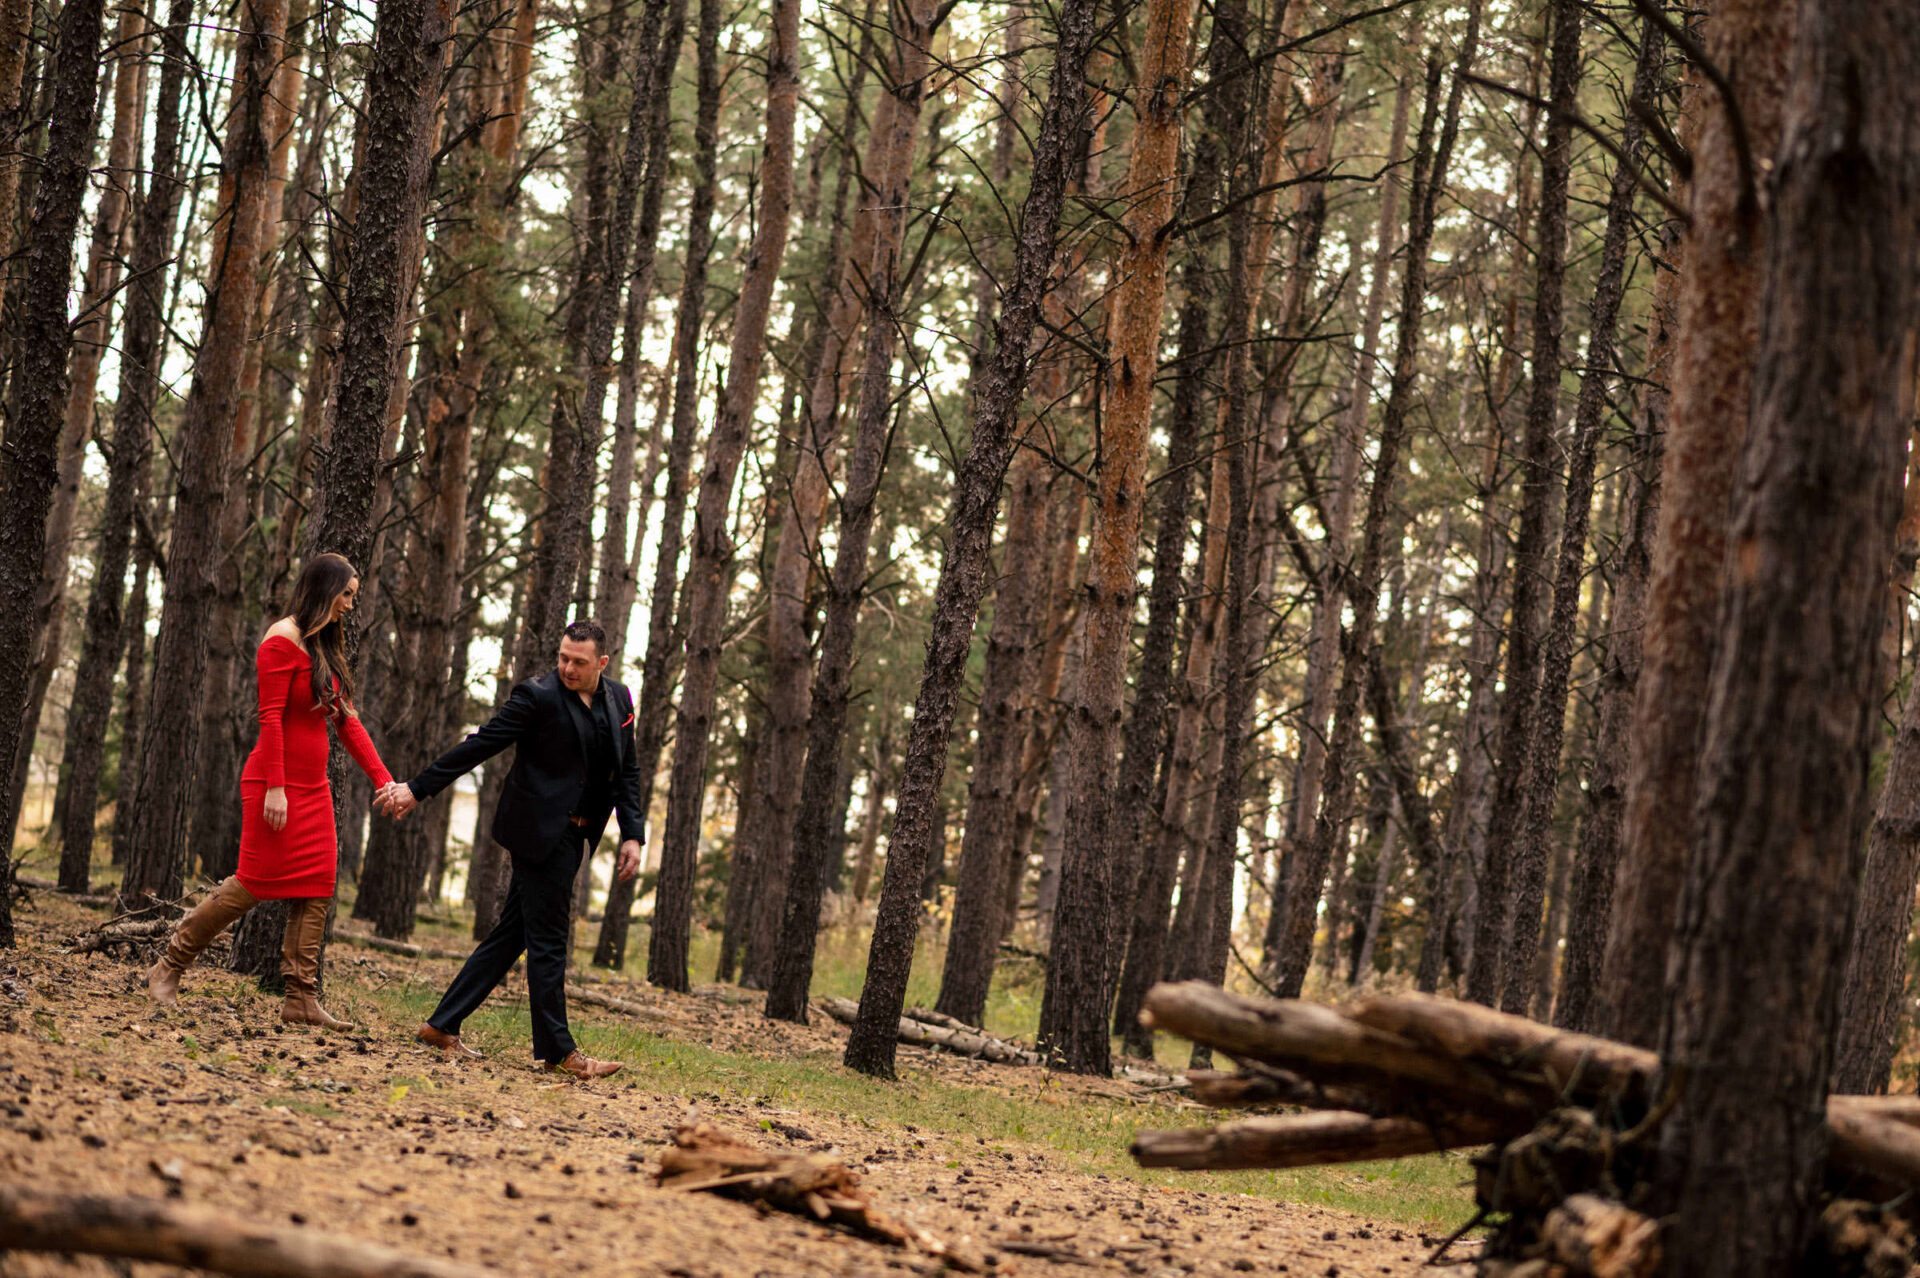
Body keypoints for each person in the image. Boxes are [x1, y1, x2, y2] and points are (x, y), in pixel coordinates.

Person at [377, 619, 644, 1078]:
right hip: (538, 833)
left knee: (512, 935)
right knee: (549, 942)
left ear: (602, 662)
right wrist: (417, 789)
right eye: (563, 657)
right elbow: (480, 744)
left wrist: (632, 834)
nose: (568, 668)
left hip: (577, 834)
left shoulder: (619, 699)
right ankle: (559, 1052)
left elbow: (628, 771)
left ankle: (441, 1025)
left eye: (579, 662)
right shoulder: (537, 696)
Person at [147, 553, 393, 1028]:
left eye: (353, 597)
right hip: (272, 783)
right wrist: (275, 789)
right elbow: (271, 718)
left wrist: (383, 778)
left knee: (319, 883)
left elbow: (347, 721)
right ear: (325, 589)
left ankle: (300, 998)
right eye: (346, 594)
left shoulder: (323, 647)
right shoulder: (281, 639)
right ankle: (168, 966)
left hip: (314, 787)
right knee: (251, 884)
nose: (350, 605)